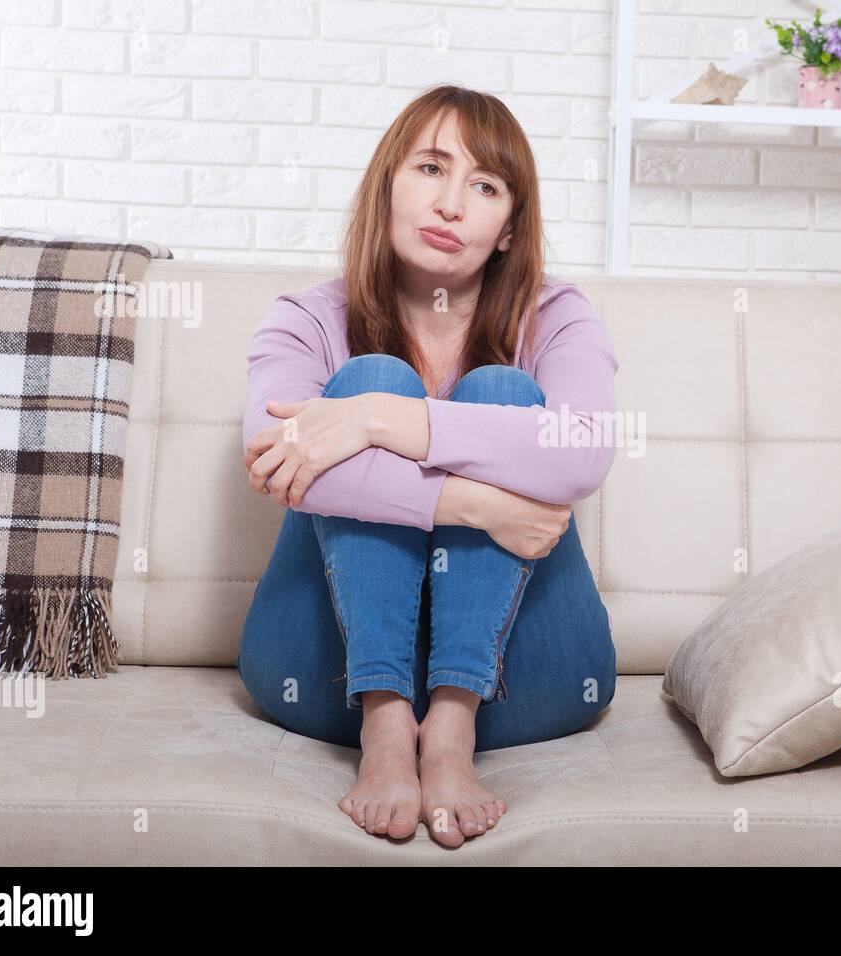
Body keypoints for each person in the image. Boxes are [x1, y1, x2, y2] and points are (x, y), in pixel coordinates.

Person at [237, 84, 618, 849]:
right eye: (431, 169)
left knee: (500, 392)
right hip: (328, 674)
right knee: (369, 374)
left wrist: (380, 423)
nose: (451, 204)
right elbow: (277, 460)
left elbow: (579, 448)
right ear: (388, 186)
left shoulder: (558, 316)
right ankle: (385, 722)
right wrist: (478, 503)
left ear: (509, 228)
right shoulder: (306, 318)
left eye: (484, 186)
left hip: (522, 679)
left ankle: (449, 729)